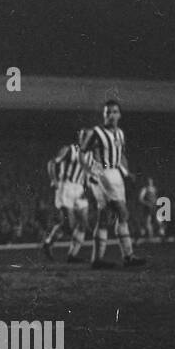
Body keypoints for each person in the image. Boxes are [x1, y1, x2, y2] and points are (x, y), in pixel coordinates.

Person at [80, 100, 146, 269]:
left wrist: (126, 172)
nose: (111, 115)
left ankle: (97, 259)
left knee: (105, 216)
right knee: (123, 213)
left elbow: (121, 154)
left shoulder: (120, 134)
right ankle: (128, 256)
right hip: (104, 174)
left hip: (116, 173)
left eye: (114, 111)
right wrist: (89, 171)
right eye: (107, 112)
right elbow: (82, 151)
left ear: (119, 115)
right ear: (104, 115)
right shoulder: (97, 132)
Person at [42, 130, 92, 262]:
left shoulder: (90, 154)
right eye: (84, 136)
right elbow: (52, 163)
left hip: (79, 189)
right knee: (69, 225)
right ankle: (48, 243)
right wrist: (54, 180)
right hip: (66, 187)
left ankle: (72, 255)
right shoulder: (69, 149)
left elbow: (89, 173)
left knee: (83, 224)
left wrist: (87, 188)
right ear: (79, 138)